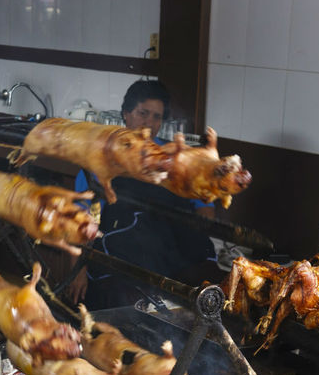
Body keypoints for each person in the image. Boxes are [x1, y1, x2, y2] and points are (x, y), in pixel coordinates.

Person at [68, 80, 218, 309]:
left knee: (213, 295)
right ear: (126, 114)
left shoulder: (174, 159)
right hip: (122, 262)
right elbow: (78, 222)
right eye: (143, 113)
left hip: (174, 257)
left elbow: (204, 207)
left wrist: (203, 212)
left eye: (157, 117)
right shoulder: (100, 163)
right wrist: (78, 271)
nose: (149, 123)